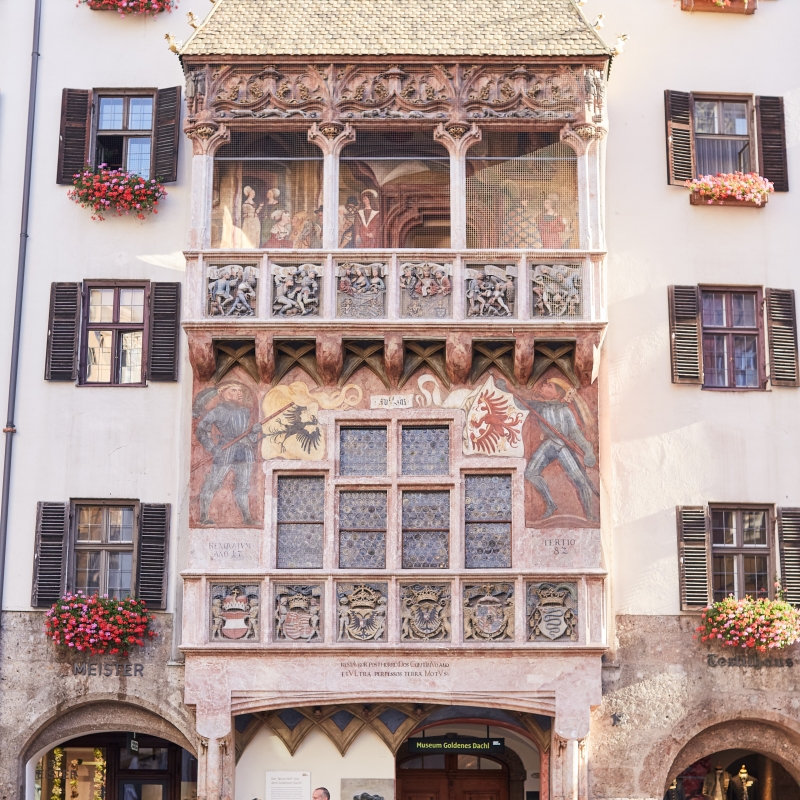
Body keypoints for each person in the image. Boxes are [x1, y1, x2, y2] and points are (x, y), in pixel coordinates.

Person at [521, 379, 597, 520]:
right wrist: (505, 389)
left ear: (557, 394)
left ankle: (590, 515)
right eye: (545, 384)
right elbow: (521, 403)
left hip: (562, 446)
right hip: (550, 444)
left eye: (549, 385)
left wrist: (588, 451)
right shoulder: (539, 407)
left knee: (580, 480)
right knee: (530, 473)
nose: (543, 385)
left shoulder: (565, 411)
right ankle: (551, 504)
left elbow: (575, 433)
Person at [195, 383, 261, 525]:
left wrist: (253, 432)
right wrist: (212, 448)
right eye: (234, 390)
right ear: (224, 393)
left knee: (243, 486)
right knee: (213, 483)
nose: (239, 393)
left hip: (244, 451)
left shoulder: (245, 412)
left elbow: (249, 438)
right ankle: (204, 516)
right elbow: (201, 430)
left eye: (240, 390)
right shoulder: (217, 412)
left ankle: (247, 518)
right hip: (225, 451)